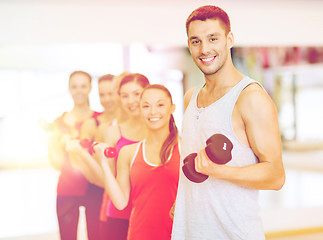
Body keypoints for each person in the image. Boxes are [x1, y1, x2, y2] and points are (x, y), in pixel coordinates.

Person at [171, 5, 285, 240]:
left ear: (229, 39)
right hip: (190, 231)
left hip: (234, 234)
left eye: (213, 38)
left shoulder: (250, 97)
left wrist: (219, 171)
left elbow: (276, 176)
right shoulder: (190, 98)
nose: (204, 49)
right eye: (196, 41)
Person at [67, 73, 150, 240]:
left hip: (149, 212)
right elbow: (102, 179)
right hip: (117, 213)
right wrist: (83, 155)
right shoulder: (108, 130)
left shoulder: (159, 126)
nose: (131, 100)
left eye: (136, 94)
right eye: (124, 95)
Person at [97, 84, 181, 240]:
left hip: (177, 234)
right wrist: (103, 163)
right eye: (146, 106)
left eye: (160, 105)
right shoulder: (128, 152)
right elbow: (120, 202)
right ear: (141, 110)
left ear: (172, 108)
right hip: (139, 234)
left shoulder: (185, 148)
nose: (153, 112)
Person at [47, 70, 101, 240]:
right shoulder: (57, 123)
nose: (79, 91)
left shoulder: (101, 120)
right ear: (69, 89)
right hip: (67, 188)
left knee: (97, 236)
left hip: (96, 188)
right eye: (74, 86)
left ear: (90, 88)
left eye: (83, 86)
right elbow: (56, 163)